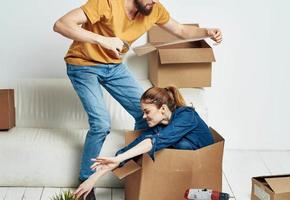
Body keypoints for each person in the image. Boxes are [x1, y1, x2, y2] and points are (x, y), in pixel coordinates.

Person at [53, 0, 222, 198]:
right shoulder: (107, 4)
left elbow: (182, 31)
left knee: (145, 117)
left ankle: (139, 167)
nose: (153, 1)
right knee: (101, 124)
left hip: (113, 66)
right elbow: (61, 24)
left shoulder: (154, 9)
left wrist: (207, 32)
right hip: (83, 64)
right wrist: (102, 40)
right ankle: (85, 180)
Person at [73, 86, 214, 199]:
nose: (143, 116)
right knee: (145, 144)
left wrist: (120, 158)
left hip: (202, 166)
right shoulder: (158, 127)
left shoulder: (186, 115)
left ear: (163, 109)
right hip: (178, 170)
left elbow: (156, 141)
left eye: (147, 111)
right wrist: (93, 178)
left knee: (175, 143)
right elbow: (133, 147)